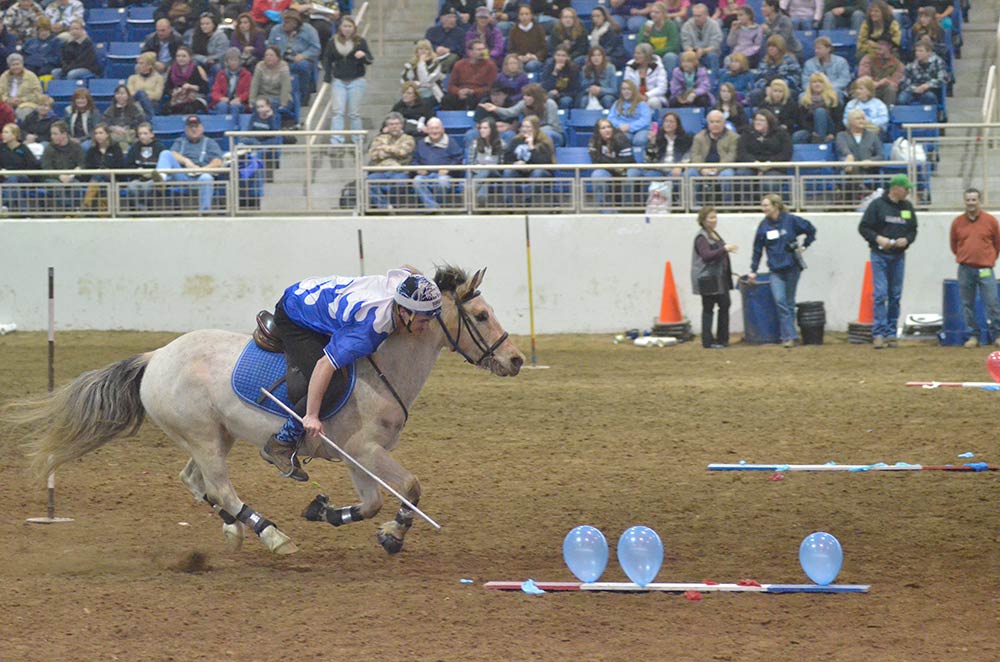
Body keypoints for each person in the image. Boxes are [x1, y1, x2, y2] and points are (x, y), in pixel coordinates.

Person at [260, 268, 443, 481]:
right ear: (404, 312)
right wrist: (311, 415)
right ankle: (282, 442)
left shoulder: (403, 285)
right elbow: (324, 365)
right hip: (294, 314)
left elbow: (409, 269)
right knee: (335, 383)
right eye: (423, 321)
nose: (426, 328)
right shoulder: (370, 330)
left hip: (311, 293)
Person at [749, 194, 817, 347]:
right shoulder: (763, 226)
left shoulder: (791, 220)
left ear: (775, 206)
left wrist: (804, 246)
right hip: (775, 270)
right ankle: (789, 335)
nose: (764, 208)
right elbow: (757, 249)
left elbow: (811, 230)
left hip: (793, 267)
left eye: (766, 205)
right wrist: (753, 269)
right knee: (780, 301)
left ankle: (789, 336)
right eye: (763, 205)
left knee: (789, 302)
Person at [858, 174, 917, 349]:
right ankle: (879, 332)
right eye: (905, 188)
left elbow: (913, 230)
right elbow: (864, 227)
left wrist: (907, 240)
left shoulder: (907, 207)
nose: (908, 191)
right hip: (880, 255)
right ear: (895, 188)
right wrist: (878, 238)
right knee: (880, 294)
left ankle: (891, 332)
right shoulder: (877, 206)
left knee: (895, 295)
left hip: (898, 256)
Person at [950, 189, 1000, 347]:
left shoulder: (991, 221)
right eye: (968, 200)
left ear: (980, 201)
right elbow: (954, 245)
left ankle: (997, 335)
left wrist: (989, 258)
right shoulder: (957, 222)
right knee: (967, 304)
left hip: (985, 268)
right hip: (965, 269)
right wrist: (966, 257)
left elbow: (997, 243)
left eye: (974, 200)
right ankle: (973, 336)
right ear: (965, 201)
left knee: (992, 303)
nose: (971, 203)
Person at [156, 114, 224, 212]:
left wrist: (201, 170)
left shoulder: (210, 142)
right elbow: (173, 153)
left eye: (196, 126)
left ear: (202, 128)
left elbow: (218, 161)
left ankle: (205, 212)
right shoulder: (180, 141)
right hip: (182, 175)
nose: (193, 129)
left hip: (199, 176)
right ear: (186, 129)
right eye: (190, 127)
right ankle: (161, 179)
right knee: (165, 153)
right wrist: (187, 161)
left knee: (207, 178)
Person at [691, 206, 736, 348]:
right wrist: (724, 249)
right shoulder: (702, 237)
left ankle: (722, 339)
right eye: (710, 217)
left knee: (723, 305)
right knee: (709, 308)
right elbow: (706, 256)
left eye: (715, 217)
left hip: (718, 277)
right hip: (709, 278)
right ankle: (709, 341)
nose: (714, 220)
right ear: (703, 220)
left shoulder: (713, 234)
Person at [323, 15, 372, 142]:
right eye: (345, 26)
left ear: (354, 28)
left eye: (350, 26)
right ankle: (337, 140)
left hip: (356, 80)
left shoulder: (360, 41)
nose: (347, 29)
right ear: (340, 27)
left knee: (354, 113)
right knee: (337, 112)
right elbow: (327, 59)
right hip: (339, 80)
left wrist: (363, 56)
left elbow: (370, 59)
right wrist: (327, 76)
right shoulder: (332, 41)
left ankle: (358, 140)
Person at [412, 117, 464, 210]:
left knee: (443, 182)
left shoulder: (450, 142)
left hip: (444, 176)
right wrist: (418, 168)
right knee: (417, 180)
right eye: (432, 129)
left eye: (437, 128)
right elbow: (415, 160)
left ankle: (434, 205)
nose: (434, 131)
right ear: (427, 130)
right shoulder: (421, 143)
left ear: (442, 129)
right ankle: (432, 207)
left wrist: (448, 169)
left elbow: (458, 159)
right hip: (426, 175)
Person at [501, 114, 554, 202]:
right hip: (519, 172)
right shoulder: (516, 141)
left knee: (538, 172)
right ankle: (509, 204)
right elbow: (507, 159)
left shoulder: (544, 142)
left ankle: (526, 203)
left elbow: (544, 162)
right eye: (523, 126)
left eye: (528, 127)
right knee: (508, 172)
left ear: (535, 128)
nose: (525, 129)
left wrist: (532, 147)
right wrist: (515, 164)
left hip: (539, 172)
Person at [269, 9, 321, 98]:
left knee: (303, 66)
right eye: (283, 21)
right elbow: (270, 46)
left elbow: (316, 48)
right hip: (280, 59)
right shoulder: (276, 30)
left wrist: (304, 55)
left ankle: (304, 95)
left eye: (287, 22)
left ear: (295, 23)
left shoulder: (308, 30)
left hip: (300, 59)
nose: (283, 24)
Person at [588, 117, 635, 208]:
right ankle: (605, 211)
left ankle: (627, 209)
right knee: (597, 175)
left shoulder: (621, 138)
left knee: (630, 177)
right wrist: (613, 164)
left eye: (609, 127)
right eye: (603, 128)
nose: (607, 130)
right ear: (598, 131)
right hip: (608, 169)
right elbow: (596, 161)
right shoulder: (593, 142)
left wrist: (606, 160)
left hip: (627, 167)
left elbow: (627, 160)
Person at [441, 39, 497, 111]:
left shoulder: (490, 65)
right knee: (446, 99)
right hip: (461, 93)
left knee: (473, 99)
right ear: (470, 52)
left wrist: (473, 91)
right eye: (479, 50)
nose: (482, 52)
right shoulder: (459, 64)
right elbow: (451, 86)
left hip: (478, 95)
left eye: (483, 49)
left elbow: (490, 87)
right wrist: (458, 92)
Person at [736, 109, 792, 179]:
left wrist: (769, 164)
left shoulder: (781, 134)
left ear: (769, 122)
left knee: (769, 181)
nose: (758, 122)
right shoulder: (747, 133)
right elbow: (742, 153)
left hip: (774, 167)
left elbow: (785, 153)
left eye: (761, 120)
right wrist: (755, 163)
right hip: (751, 165)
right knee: (742, 175)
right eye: (756, 120)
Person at [123, 122, 166, 208]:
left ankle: (148, 211)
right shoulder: (134, 147)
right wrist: (136, 170)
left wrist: (151, 173)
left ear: (151, 134)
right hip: (137, 178)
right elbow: (128, 165)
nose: (142, 136)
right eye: (140, 134)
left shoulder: (160, 147)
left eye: (145, 133)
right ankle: (136, 212)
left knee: (147, 188)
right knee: (131, 187)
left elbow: (163, 165)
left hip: (153, 179)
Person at [749, 34, 800, 106]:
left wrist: (778, 88)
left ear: (780, 48)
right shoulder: (764, 61)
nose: (771, 48)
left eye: (774, 46)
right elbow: (758, 78)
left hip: (786, 88)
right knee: (755, 94)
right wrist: (766, 88)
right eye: (769, 46)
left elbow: (795, 79)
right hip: (767, 88)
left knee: (791, 94)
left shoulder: (790, 60)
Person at [608, 80, 653, 159]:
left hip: (641, 130)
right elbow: (610, 118)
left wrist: (630, 127)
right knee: (620, 138)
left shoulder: (642, 104)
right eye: (623, 89)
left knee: (639, 140)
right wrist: (620, 126)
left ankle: (640, 161)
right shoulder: (617, 103)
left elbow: (645, 120)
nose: (626, 92)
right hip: (623, 130)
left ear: (633, 90)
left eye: (629, 89)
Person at [466, 116, 505, 204]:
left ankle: (469, 191)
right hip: (479, 172)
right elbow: (471, 163)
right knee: (483, 179)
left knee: (486, 169)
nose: (482, 130)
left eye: (485, 128)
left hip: (495, 173)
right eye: (480, 128)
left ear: (492, 129)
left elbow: (502, 164)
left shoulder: (501, 144)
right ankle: (481, 204)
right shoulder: (475, 143)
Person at [899, 38, 948, 107]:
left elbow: (943, 78)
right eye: (916, 51)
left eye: (921, 51)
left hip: (930, 90)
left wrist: (927, 85)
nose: (917, 53)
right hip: (914, 90)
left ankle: (933, 115)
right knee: (902, 98)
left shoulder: (938, 61)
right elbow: (904, 82)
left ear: (929, 52)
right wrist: (914, 89)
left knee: (929, 97)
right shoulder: (911, 65)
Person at [800, 36, 851, 102]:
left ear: (828, 49)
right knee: (801, 96)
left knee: (837, 94)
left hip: (834, 90)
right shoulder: (809, 63)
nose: (816, 51)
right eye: (815, 48)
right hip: (814, 92)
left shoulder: (841, 61)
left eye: (819, 48)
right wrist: (816, 90)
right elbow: (805, 82)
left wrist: (826, 88)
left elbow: (844, 79)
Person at [164, 46, 210, 114]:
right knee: (167, 108)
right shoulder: (171, 69)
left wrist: (191, 87)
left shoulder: (197, 69)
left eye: (184, 56)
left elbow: (205, 89)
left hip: (196, 97)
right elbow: (167, 88)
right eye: (178, 56)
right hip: (178, 97)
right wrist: (174, 92)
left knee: (188, 108)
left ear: (190, 58)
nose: (180, 58)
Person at [857, 38, 903, 106]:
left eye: (882, 44)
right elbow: (863, 76)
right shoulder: (867, 58)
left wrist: (885, 82)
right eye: (877, 43)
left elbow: (895, 83)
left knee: (891, 89)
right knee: (861, 89)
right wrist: (877, 83)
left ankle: (887, 114)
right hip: (870, 88)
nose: (878, 46)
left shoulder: (898, 65)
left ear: (889, 46)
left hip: (885, 90)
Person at [796, 72, 841, 144]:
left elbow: (839, 121)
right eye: (814, 82)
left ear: (825, 84)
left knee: (820, 111)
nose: (817, 84)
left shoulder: (833, 99)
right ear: (810, 85)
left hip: (830, 129)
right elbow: (802, 121)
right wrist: (812, 132)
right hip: (812, 130)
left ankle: (820, 143)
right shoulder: (804, 100)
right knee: (797, 136)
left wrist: (833, 134)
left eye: (820, 82)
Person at [637, 2, 680, 76]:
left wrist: (653, 52)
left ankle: (669, 82)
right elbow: (641, 46)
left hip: (665, 54)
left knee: (670, 57)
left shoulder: (670, 25)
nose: (653, 14)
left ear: (663, 14)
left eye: (656, 12)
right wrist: (646, 34)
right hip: (651, 55)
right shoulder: (646, 25)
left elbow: (673, 46)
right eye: (652, 12)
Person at [250, 46, 294, 118]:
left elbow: (286, 87)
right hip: (263, 96)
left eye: (271, 55)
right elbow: (255, 84)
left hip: (279, 97)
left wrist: (283, 104)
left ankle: (273, 127)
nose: (268, 57)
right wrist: (251, 100)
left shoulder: (283, 67)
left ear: (278, 57)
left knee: (270, 106)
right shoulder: (260, 66)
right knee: (258, 105)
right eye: (266, 55)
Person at [624, 43, 668, 110]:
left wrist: (647, 95)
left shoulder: (658, 67)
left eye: (639, 54)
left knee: (653, 102)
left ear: (647, 55)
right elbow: (627, 85)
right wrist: (637, 96)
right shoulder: (630, 66)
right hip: (634, 96)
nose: (635, 56)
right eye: (635, 53)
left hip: (653, 96)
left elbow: (662, 87)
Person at [184, 11, 229, 78]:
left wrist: (210, 59)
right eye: (202, 24)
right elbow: (191, 53)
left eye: (207, 24)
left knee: (216, 67)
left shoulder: (221, 36)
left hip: (216, 62)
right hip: (200, 61)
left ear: (213, 24)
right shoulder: (195, 35)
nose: (204, 26)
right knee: (192, 64)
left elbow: (221, 55)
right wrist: (205, 59)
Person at [680, 3, 723, 72]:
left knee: (712, 56)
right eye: (694, 16)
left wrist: (703, 51)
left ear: (706, 15)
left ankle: (713, 80)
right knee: (682, 56)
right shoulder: (687, 25)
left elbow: (715, 45)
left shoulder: (714, 25)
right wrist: (693, 51)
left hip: (708, 54)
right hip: (692, 54)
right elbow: (686, 44)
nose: (696, 18)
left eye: (699, 16)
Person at [0, 53, 43, 121]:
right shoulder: (4, 76)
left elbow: (37, 94)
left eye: (17, 64)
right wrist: (7, 99)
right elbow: (1, 93)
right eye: (13, 65)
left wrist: (22, 100)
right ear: (9, 66)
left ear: (22, 64)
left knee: (23, 111)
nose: (15, 67)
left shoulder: (31, 76)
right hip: (7, 103)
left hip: (27, 104)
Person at [424, 7, 467, 73]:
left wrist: (448, 50)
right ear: (441, 19)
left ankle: (436, 72)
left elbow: (462, 48)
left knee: (453, 57)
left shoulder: (460, 32)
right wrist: (436, 48)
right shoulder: (432, 31)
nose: (452, 20)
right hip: (434, 56)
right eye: (449, 17)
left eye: (454, 17)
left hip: (451, 59)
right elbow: (425, 45)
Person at [402, 40, 445, 104]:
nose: (423, 51)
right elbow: (405, 81)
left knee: (424, 103)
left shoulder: (436, 64)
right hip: (414, 93)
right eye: (421, 49)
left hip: (432, 93)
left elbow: (427, 80)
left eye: (426, 49)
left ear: (430, 52)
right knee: (400, 105)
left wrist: (421, 62)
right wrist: (418, 84)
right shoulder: (410, 64)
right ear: (417, 51)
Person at [210, 48, 252, 115]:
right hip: (224, 100)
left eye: (236, 60)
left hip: (240, 102)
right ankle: (223, 124)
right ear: (226, 62)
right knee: (222, 105)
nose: (233, 62)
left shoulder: (247, 74)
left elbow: (248, 92)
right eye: (231, 60)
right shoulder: (221, 74)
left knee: (234, 106)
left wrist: (240, 99)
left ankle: (234, 124)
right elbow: (215, 91)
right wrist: (221, 98)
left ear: (240, 61)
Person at [507, 4, 547, 74]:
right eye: (521, 14)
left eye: (527, 14)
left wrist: (534, 56)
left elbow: (543, 48)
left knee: (530, 66)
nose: (524, 16)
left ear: (531, 16)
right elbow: (511, 49)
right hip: (519, 59)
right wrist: (519, 57)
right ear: (518, 16)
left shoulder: (539, 29)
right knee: (516, 65)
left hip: (535, 60)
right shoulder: (513, 31)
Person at [128, 52, 166, 119]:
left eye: (141, 63)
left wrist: (143, 95)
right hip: (135, 104)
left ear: (150, 65)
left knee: (141, 93)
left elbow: (157, 95)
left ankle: (148, 116)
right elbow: (130, 94)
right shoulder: (132, 78)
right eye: (138, 63)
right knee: (140, 94)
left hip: (152, 104)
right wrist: (144, 94)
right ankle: (150, 117)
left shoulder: (159, 78)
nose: (138, 65)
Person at [541, 46, 578, 111]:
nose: (560, 58)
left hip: (565, 95)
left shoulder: (573, 69)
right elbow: (544, 87)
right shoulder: (549, 67)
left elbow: (575, 90)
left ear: (567, 57)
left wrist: (560, 94)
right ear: (554, 56)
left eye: (563, 56)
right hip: (551, 94)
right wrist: (555, 72)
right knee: (549, 97)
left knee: (565, 101)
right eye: (558, 55)